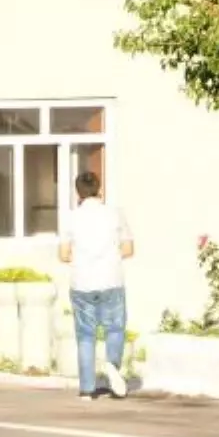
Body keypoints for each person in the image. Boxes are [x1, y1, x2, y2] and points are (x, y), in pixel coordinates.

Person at [59, 170, 134, 401]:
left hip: (82, 283)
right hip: (111, 279)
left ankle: (87, 389)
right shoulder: (114, 214)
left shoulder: (71, 217)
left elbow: (63, 255)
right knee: (114, 329)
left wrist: (83, 260)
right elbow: (129, 249)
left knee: (85, 335)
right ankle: (112, 366)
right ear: (100, 189)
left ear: (77, 193)